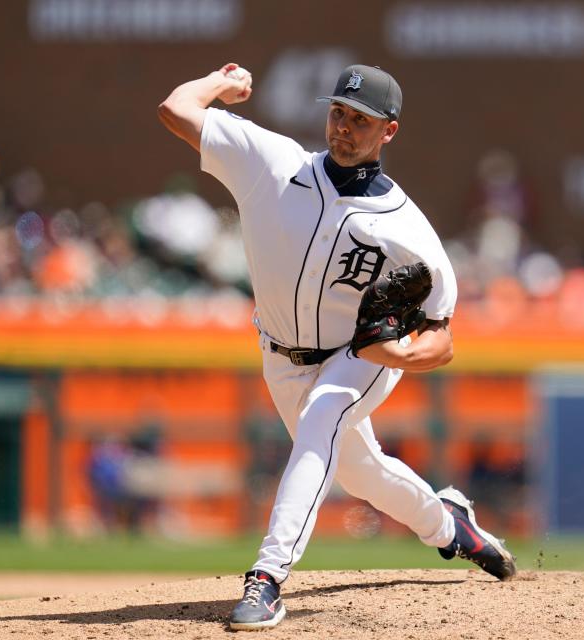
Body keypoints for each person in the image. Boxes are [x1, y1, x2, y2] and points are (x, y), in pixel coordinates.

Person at [158, 62, 516, 631]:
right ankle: (451, 524)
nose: (344, 127)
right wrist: (217, 86)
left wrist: (399, 355)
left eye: (360, 119)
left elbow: (442, 338)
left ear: (389, 131)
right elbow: (178, 110)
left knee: (323, 419)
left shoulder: (410, 232)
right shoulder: (272, 164)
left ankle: (268, 578)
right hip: (279, 353)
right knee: (360, 474)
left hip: (360, 355)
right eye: (337, 113)